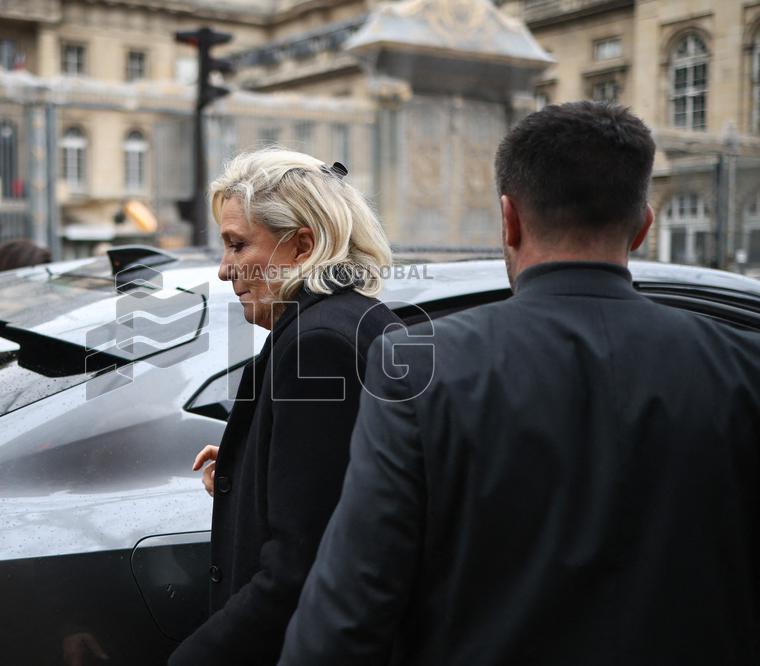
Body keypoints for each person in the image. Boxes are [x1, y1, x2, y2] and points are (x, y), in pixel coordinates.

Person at [279, 102, 760, 665]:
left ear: (508, 219)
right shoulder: (742, 364)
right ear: (643, 226)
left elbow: (348, 610)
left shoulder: (420, 364)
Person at [168, 149, 402, 666]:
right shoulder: (353, 320)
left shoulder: (317, 344)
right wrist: (245, 465)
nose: (226, 270)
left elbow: (302, 562)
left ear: (302, 245)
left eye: (237, 244)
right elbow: (343, 488)